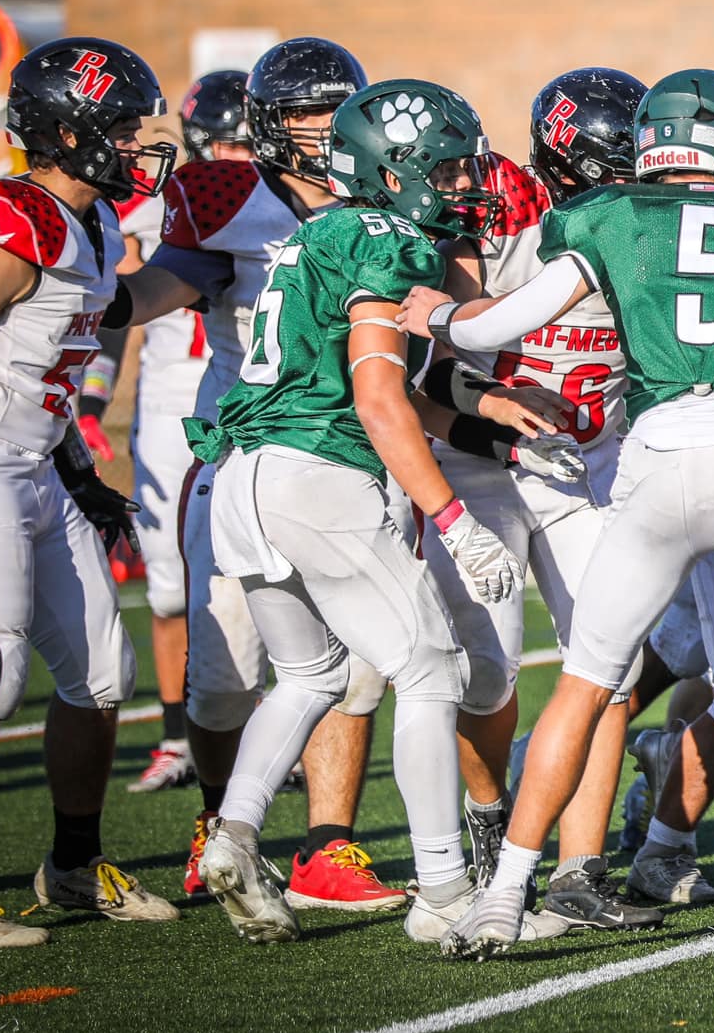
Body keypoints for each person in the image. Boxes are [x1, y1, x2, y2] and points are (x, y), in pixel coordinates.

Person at [404, 69, 714, 971]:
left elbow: (488, 332)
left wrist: (435, 311)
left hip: (661, 454)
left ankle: (505, 896)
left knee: (586, 682)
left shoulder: (607, 217)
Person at [183, 78, 564, 945]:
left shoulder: (318, 232)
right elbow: (377, 398)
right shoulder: (390, 238)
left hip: (248, 472)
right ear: (396, 174)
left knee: (311, 676)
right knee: (430, 671)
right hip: (321, 475)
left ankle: (236, 833)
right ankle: (444, 892)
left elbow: (364, 379)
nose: (469, 182)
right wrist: (456, 522)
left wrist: (482, 413)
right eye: (450, 166)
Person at [111, 37, 409, 913]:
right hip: (247, 452)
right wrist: (86, 279)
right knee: (224, 678)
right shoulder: (226, 195)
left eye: (334, 111)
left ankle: (329, 848)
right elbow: (155, 291)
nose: (323, 132)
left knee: (359, 663)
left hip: (352, 451)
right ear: (268, 126)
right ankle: (218, 816)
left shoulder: (386, 190)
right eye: (305, 116)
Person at [416, 65, 665, 932]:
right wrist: (497, 422)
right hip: (484, 463)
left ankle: (579, 869)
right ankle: (489, 822)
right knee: (484, 674)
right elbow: (427, 383)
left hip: (592, 465)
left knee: (613, 663)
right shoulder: (501, 218)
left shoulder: (660, 230)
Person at [0, 37, 184, 949]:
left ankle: (68, 865)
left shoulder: (93, 225)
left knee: (103, 673)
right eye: (123, 126)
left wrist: (74, 472)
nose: (140, 143)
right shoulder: (14, 215)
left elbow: (107, 323)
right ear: (69, 131)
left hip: (38, 470)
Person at [107, 70, 237, 794]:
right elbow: (118, 301)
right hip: (166, 403)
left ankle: (247, 730)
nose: (230, 154)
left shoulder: (279, 203)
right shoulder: (161, 203)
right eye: (220, 142)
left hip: (236, 394)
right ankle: (174, 735)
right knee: (166, 588)